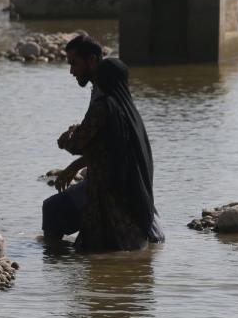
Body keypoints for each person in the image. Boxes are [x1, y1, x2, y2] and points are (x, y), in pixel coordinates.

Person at [60, 57, 164, 252]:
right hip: (127, 187)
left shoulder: (103, 106)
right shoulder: (128, 109)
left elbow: (78, 144)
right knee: (123, 245)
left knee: (96, 247)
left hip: (105, 190)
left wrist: (66, 138)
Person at [41, 34, 104, 242]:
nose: (71, 71)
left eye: (74, 64)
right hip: (107, 176)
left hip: (107, 185)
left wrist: (68, 140)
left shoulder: (105, 97)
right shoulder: (107, 91)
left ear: (92, 61)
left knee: (51, 210)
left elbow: (86, 143)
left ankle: (52, 263)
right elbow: (103, 142)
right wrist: (75, 166)